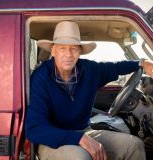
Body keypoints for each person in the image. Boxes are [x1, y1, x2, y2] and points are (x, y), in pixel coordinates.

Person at [25, 21, 153, 160]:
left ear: (80, 52)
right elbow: (34, 129)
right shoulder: (41, 77)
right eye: (62, 48)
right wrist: (78, 138)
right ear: (53, 50)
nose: (68, 54)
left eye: (73, 48)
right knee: (80, 156)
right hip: (53, 140)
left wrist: (142, 63)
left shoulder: (89, 70)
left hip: (84, 132)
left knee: (134, 145)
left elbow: (116, 67)